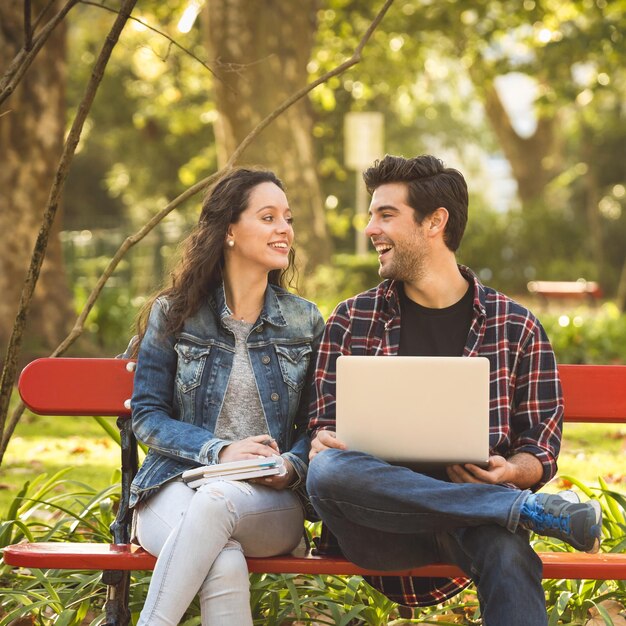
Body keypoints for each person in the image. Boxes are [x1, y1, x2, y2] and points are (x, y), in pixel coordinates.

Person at [306, 155, 602, 626]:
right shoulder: (349, 320)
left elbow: (540, 450)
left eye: (385, 215)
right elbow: (322, 429)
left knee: (508, 555)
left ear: (434, 222)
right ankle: (521, 511)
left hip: (477, 526)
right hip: (378, 526)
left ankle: (504, 508)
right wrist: (323, 441)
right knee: (325, 472)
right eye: (371, 215)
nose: (369, 229)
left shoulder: (516, 327)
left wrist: (512, 471)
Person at [129, 167, 324, 625]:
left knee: (218, 501)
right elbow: (147, 416)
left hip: (267, 501)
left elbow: (319, 425)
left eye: (287, 218)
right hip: (174, 486)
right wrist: (219, 452)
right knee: (224, 559)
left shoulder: (305, 321)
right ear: (230, 230)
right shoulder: (176, 314)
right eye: (269, 217)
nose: (284, 230)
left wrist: (290, 466)